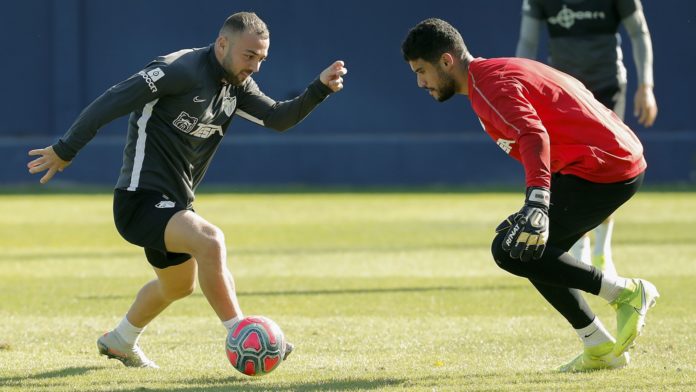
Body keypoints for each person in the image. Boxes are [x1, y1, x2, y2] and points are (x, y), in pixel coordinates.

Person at [27, 12, 347, 368]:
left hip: (175, 203)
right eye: (249, 55)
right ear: (223, 44)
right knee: (210, 240)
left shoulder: (236, 85)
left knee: (178, 285)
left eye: (261, 59)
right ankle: (242, 332)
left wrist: (319, 88)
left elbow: (278, 118)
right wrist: (65, 149)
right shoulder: (179, 69)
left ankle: (121, 340)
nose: (255, 66)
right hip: (139, 199)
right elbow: (112, 100)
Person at [401, 18, 658, 372]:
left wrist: (537, 200)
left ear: (446, 61)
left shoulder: (489, 84)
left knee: (513, 249)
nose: (420, 83)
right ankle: (598, 346)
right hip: (608, 161)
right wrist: (538, 203)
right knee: (523, 245)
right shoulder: (490, 76)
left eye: (422, 71)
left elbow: (533, 135)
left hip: (606, 168)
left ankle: (627, 293)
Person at [515, 0, 658, 276]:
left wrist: (646, 86)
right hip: (560, 94)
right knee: (568, 169)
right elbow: (526, 42)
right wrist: (519, 90)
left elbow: (639, 32)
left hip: (607, 86)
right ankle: (579, 250)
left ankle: (602, 251)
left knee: (607, 169)